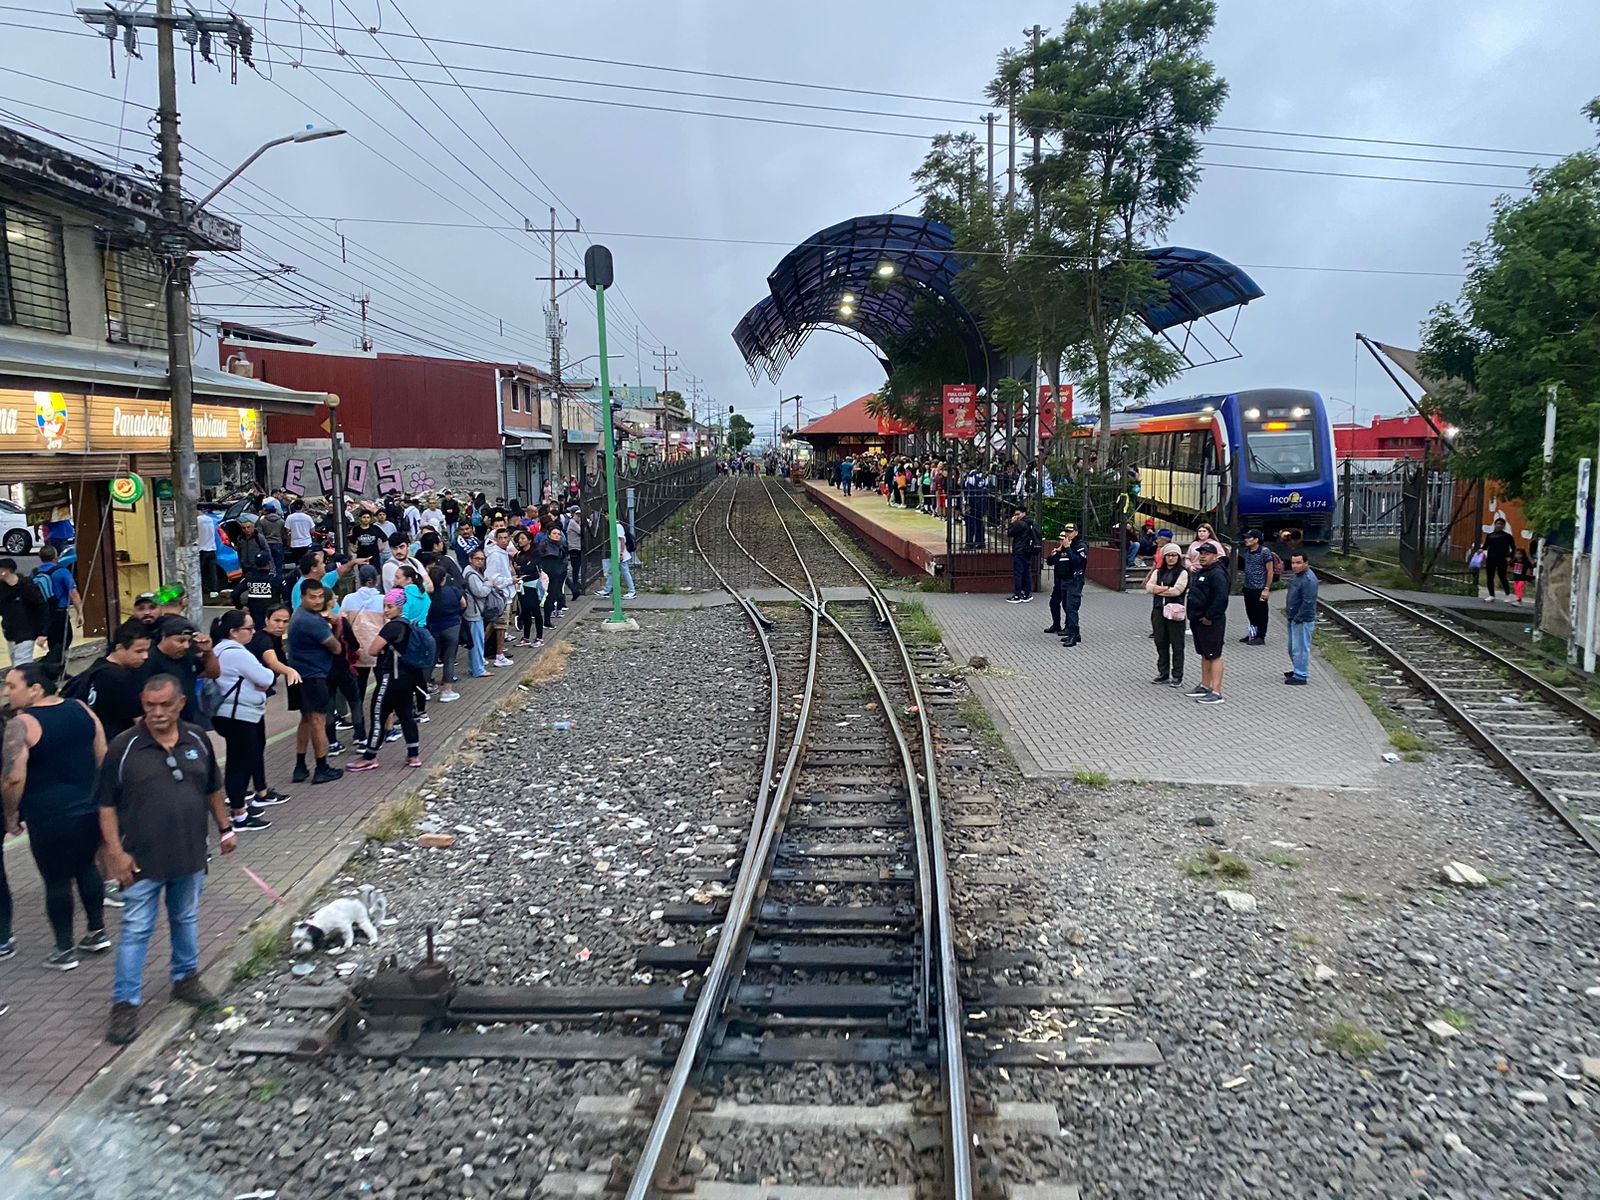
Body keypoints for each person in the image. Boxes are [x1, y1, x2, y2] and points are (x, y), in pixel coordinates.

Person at [100, 674, 233, 1044]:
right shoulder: (123, 748)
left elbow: (212, 787)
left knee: (186, 918)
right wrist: (115, 853)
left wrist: (225, 827)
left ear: (180, 704)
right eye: (149, 706)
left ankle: (185, 980)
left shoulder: (197, 739)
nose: (156, 713)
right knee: (136, 931)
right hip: (141, 862)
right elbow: (106, 804)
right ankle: (125, 1005)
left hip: (190, 855)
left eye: (164, 706)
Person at [2, 664, 109, 970]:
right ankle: (97, 931)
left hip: (49, 816)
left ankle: (64, 948)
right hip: (88, 808)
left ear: (35, 689)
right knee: (88, 868)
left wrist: (11, 815)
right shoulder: (80, 709)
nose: (7, 692)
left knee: (57, 880)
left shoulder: (22, 724)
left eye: (12, 686)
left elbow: (12, 778)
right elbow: (103, 755)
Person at [210, 610, 281, 832]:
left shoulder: (220, 650)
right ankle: (239, 814)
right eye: (248, 629)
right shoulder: (235, 653)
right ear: (233, 632)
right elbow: (267, 677)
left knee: (238, 760)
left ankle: (239, 807)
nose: (252, 632)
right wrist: (260, 681)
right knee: (239, 764)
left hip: (229, 713)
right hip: (239, 715)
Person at [347, 590, 423, 772]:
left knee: (377, 716)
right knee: (406, 716)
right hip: (407, 678)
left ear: (400, 606)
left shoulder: (392, 627)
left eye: (390, 606)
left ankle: (369, 756)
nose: (386, 610)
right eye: (384, 606)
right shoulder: (409, 625)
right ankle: (414, 755)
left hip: (390, 678)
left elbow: (372, 650)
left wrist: (382, 649)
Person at [286, 581, 345, 785]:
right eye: (313, 597)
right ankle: (321, 767)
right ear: (302, 597)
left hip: (298, 674)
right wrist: (336, 625)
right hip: (313, 676)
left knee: (305, 719)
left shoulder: (300, 615)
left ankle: (300, 766)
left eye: (321, 596)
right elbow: (336, 648)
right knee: (318, 722)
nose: (318, 601)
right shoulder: (313, 622)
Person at [67, 619, 151, 740]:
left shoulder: (97, 667)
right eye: (139, 651)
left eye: (146, 650)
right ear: (119, 648)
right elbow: (140, 721)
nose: (145, 656)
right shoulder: (121, 678)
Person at [142, 616, 220, 724]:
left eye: (189, 641)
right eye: (181, 641)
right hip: (160, 720)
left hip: (188, 719)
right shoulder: (149, 659)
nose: (186, 646)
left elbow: (213, 674)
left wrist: (209, 652)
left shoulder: (188, 656)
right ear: (164, 637)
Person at [1186, 541, 1229, 705]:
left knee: (1214, 655)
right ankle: (1205, 685)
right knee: (1205, 654)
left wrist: (1209, 616)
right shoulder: (1202, 571)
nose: (1202, 556)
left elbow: (1221, 598)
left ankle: (1216, 691)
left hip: (1211, 621)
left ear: (1215, 556)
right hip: (1198, 619)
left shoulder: (1217, 573)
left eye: (1207, 553)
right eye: (1201, 553)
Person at [32, 546, 81, 683]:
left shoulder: (35, 572)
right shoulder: (62, 572)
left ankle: (57, 670)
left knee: (54, 643)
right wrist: (80, 613)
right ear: (56, 557)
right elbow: (74, 594)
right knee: (66, 640)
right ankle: (45, 667)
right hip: (59, 613)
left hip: (43, 614)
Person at [1144, 543, 1189, 688]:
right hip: (1158, 609)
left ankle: (1177, 675)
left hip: (1175, 611)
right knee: (1161, 642)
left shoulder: (1183, 572)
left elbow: (1177, 591)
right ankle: (1163, 673)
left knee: (1177, 644)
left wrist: (1159, 589)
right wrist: (1165, 589)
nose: (1171, 558)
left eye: (1174, 555)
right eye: (1168, 555)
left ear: (1178, 557)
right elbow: (1149, 587)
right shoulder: (1158, 572)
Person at [1045, 524, 1088, 646]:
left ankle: (1073, 636)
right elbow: (1050, 562)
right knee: (1065, 606)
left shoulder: (1080, 546)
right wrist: (1058, 551)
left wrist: (1068, 548)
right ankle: (1074, 633)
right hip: (1063, 581)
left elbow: (1078, 563)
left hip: (1074, 581)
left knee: (1071, 608)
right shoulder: (1064, 546)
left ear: (1076, 533)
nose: (1068, 534)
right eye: (1066, 531)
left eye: (1070, 531)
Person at [0, 557, 48, 666]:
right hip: (10, 632)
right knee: (15, 663)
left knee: (21, 666)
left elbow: (42, 607)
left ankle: (28, 681)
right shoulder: (2, 589)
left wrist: (43, 633)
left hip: (27, 632)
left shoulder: (27, 587)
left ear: (5, 571)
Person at [427, 564, 464, 701]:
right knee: (449, 659)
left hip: (433, 628)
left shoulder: (428, 594)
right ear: (443, 579)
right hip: (452, 626)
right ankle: (447, 691)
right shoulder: (452, 590)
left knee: (431, 658)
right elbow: (464, 604)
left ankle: (423, 688)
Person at [1237, 529, 1281, 646]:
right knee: (1250, 612)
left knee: (1261, 613)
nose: (1246, 540)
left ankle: (1261, 636)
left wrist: (1267, 588)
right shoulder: (1247, 551)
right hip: (1248, 587)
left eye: (1249, 538)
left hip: (1260, 588)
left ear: (1256, 540)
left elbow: (1270, 571)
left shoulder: (1265, 552)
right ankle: (1252, 634)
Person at [1284, 551, 1319, 686]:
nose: (1295, 566)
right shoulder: (1297, 576)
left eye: (1298, 563)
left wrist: (1299, 617)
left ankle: (1301, 675)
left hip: (1302, 619)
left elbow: (1308, 602)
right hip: (1294, 617)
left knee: (1300, 648)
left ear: (1306, 563)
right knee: (1293, 648)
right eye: (1293, 563)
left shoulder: (1309, 580)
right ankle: (1297, 669)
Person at [484, 527, 517, 668]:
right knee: (500, 626)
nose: (504, 541)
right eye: (501, 538)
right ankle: (498, 655)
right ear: (496, 539)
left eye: (506, 538)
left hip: (505, 593)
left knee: (496, 626)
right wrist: (510, 581)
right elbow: (492, 577)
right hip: (500, 595)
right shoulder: (495, 556)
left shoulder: (502, 553)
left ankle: (482, 653)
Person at [463, 548, 495, 679]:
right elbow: (480, 592)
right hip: (474, 612)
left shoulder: (473, 572)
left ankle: (474, 667)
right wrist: (489, 584)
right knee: (477, 641)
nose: (480, 561)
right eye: (477, 558)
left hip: (473, 611)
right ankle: (478, 669)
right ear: (471, 559)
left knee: (475, 641)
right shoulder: (471, 574)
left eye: (482, 559)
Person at [231, 551, 285, 626]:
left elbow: (234, 594)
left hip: (254, 615)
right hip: (272, 615)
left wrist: (240, 606)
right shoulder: (275, 578)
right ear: (269, 563)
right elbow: (287, 596)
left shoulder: (249, 577)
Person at [513, 529, 545, 648]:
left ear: (529, 540)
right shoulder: (518, 554)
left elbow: (531, 567)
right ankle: (526, 636)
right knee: (525, 611)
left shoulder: (535, 553)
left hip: (533, 584)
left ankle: (539, 637)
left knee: (536, 611)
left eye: (523, 538)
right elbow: (515, 566)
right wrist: (520, 568)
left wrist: (520, 568)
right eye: (519, 539)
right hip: (522, 585)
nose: (520, 541)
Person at [1005, 506, 1039, 604]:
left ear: (1024, 513)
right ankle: (1027, 594)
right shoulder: (1029, 522)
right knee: (1026, 572)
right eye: (1015, 514)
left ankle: (1017, 595)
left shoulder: (1020, 524)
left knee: (1018, 573)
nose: (1016, 516)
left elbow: (1009, 533)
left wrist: (1012, 522)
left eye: (1018, 514)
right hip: (1027, 551)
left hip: (1020, 551)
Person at [538, 522, 569, 629]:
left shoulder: (561, 545)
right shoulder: (544, 544)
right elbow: (538, 557)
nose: (557, 535)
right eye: (554, 533)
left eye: (558, 534)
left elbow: (563, 559)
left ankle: (547, 620)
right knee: (542, 598)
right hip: (546, 574)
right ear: (549, 534)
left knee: (551, 597)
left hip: (557, 574)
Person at [600, 519, 636, 600]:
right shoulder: (615, 526)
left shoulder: (617, 526)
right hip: (617, 554)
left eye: (606, 515)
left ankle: (632, 591)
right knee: (612, 572)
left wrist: (622, 553)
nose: (605, 517)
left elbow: (622, 540)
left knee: (625, 572)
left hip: (619, 554)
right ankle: (607, 590)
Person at [1483, 516, 1516, 601]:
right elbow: (1485, 546)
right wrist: (1481, 550)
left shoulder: (1507, 536)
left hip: (1502, 558)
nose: (1499, 525)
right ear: (1495, 524)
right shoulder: (1490, 536)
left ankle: (1508, 594)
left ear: (1503, 526)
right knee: (1490, 576)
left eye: (1501, 524)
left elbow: (1513, 548)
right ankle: (1491, 595)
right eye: (1498, 523)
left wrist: (1510, 557)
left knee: (1502, 576)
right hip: (1491, 558)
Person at [256, 500, 287, 582]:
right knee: (279, 565)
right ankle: (279, 582)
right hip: (278, 544)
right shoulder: (281, 521)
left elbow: (259, 533)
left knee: (269, 565)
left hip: (266, 545)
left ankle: (269, 581)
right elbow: (284, 535)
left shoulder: (262, 521)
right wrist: (284, 543)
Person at [197, 510, 221, 598]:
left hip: (201, 550)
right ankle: (214, 590)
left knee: (200, 572)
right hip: (212, 548)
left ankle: (202, 590)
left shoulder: (197, 520)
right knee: (212, 571)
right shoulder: (210, 519)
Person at [563, 506, 585, 601]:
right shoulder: (572, 523)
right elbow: (581, 531)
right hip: (573, 547)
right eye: (577, 515)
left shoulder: (577, 522)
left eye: (580, 515)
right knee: (575, 566)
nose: (579, 517)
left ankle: (576, 583)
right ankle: (575, 582)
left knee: (578, 566)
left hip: (578, 547)